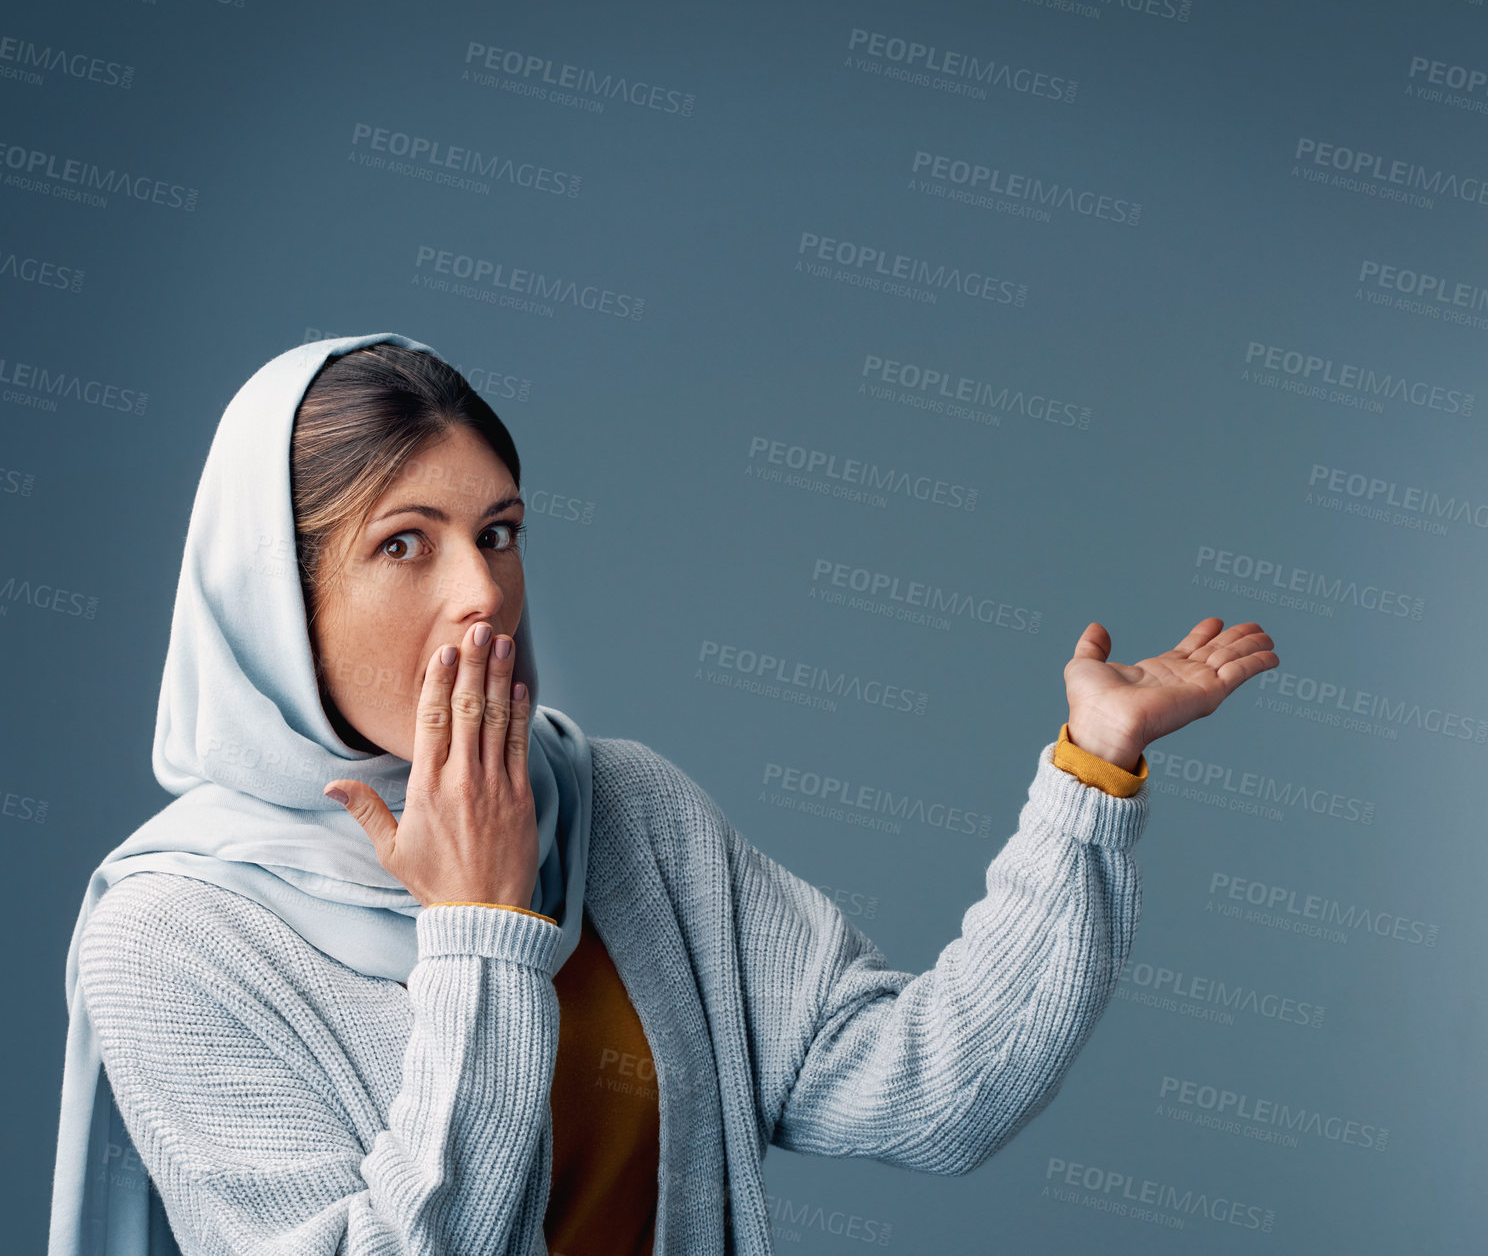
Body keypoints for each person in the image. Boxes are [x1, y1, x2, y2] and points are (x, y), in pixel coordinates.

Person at [47, 332, 1279, 1256]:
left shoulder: (617, 809)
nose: (480, 592)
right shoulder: (171, 939)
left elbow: (931, 1091)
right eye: (404, 543)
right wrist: (479, 926)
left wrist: (1091, 768)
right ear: (274, 595)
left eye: (502, 531)